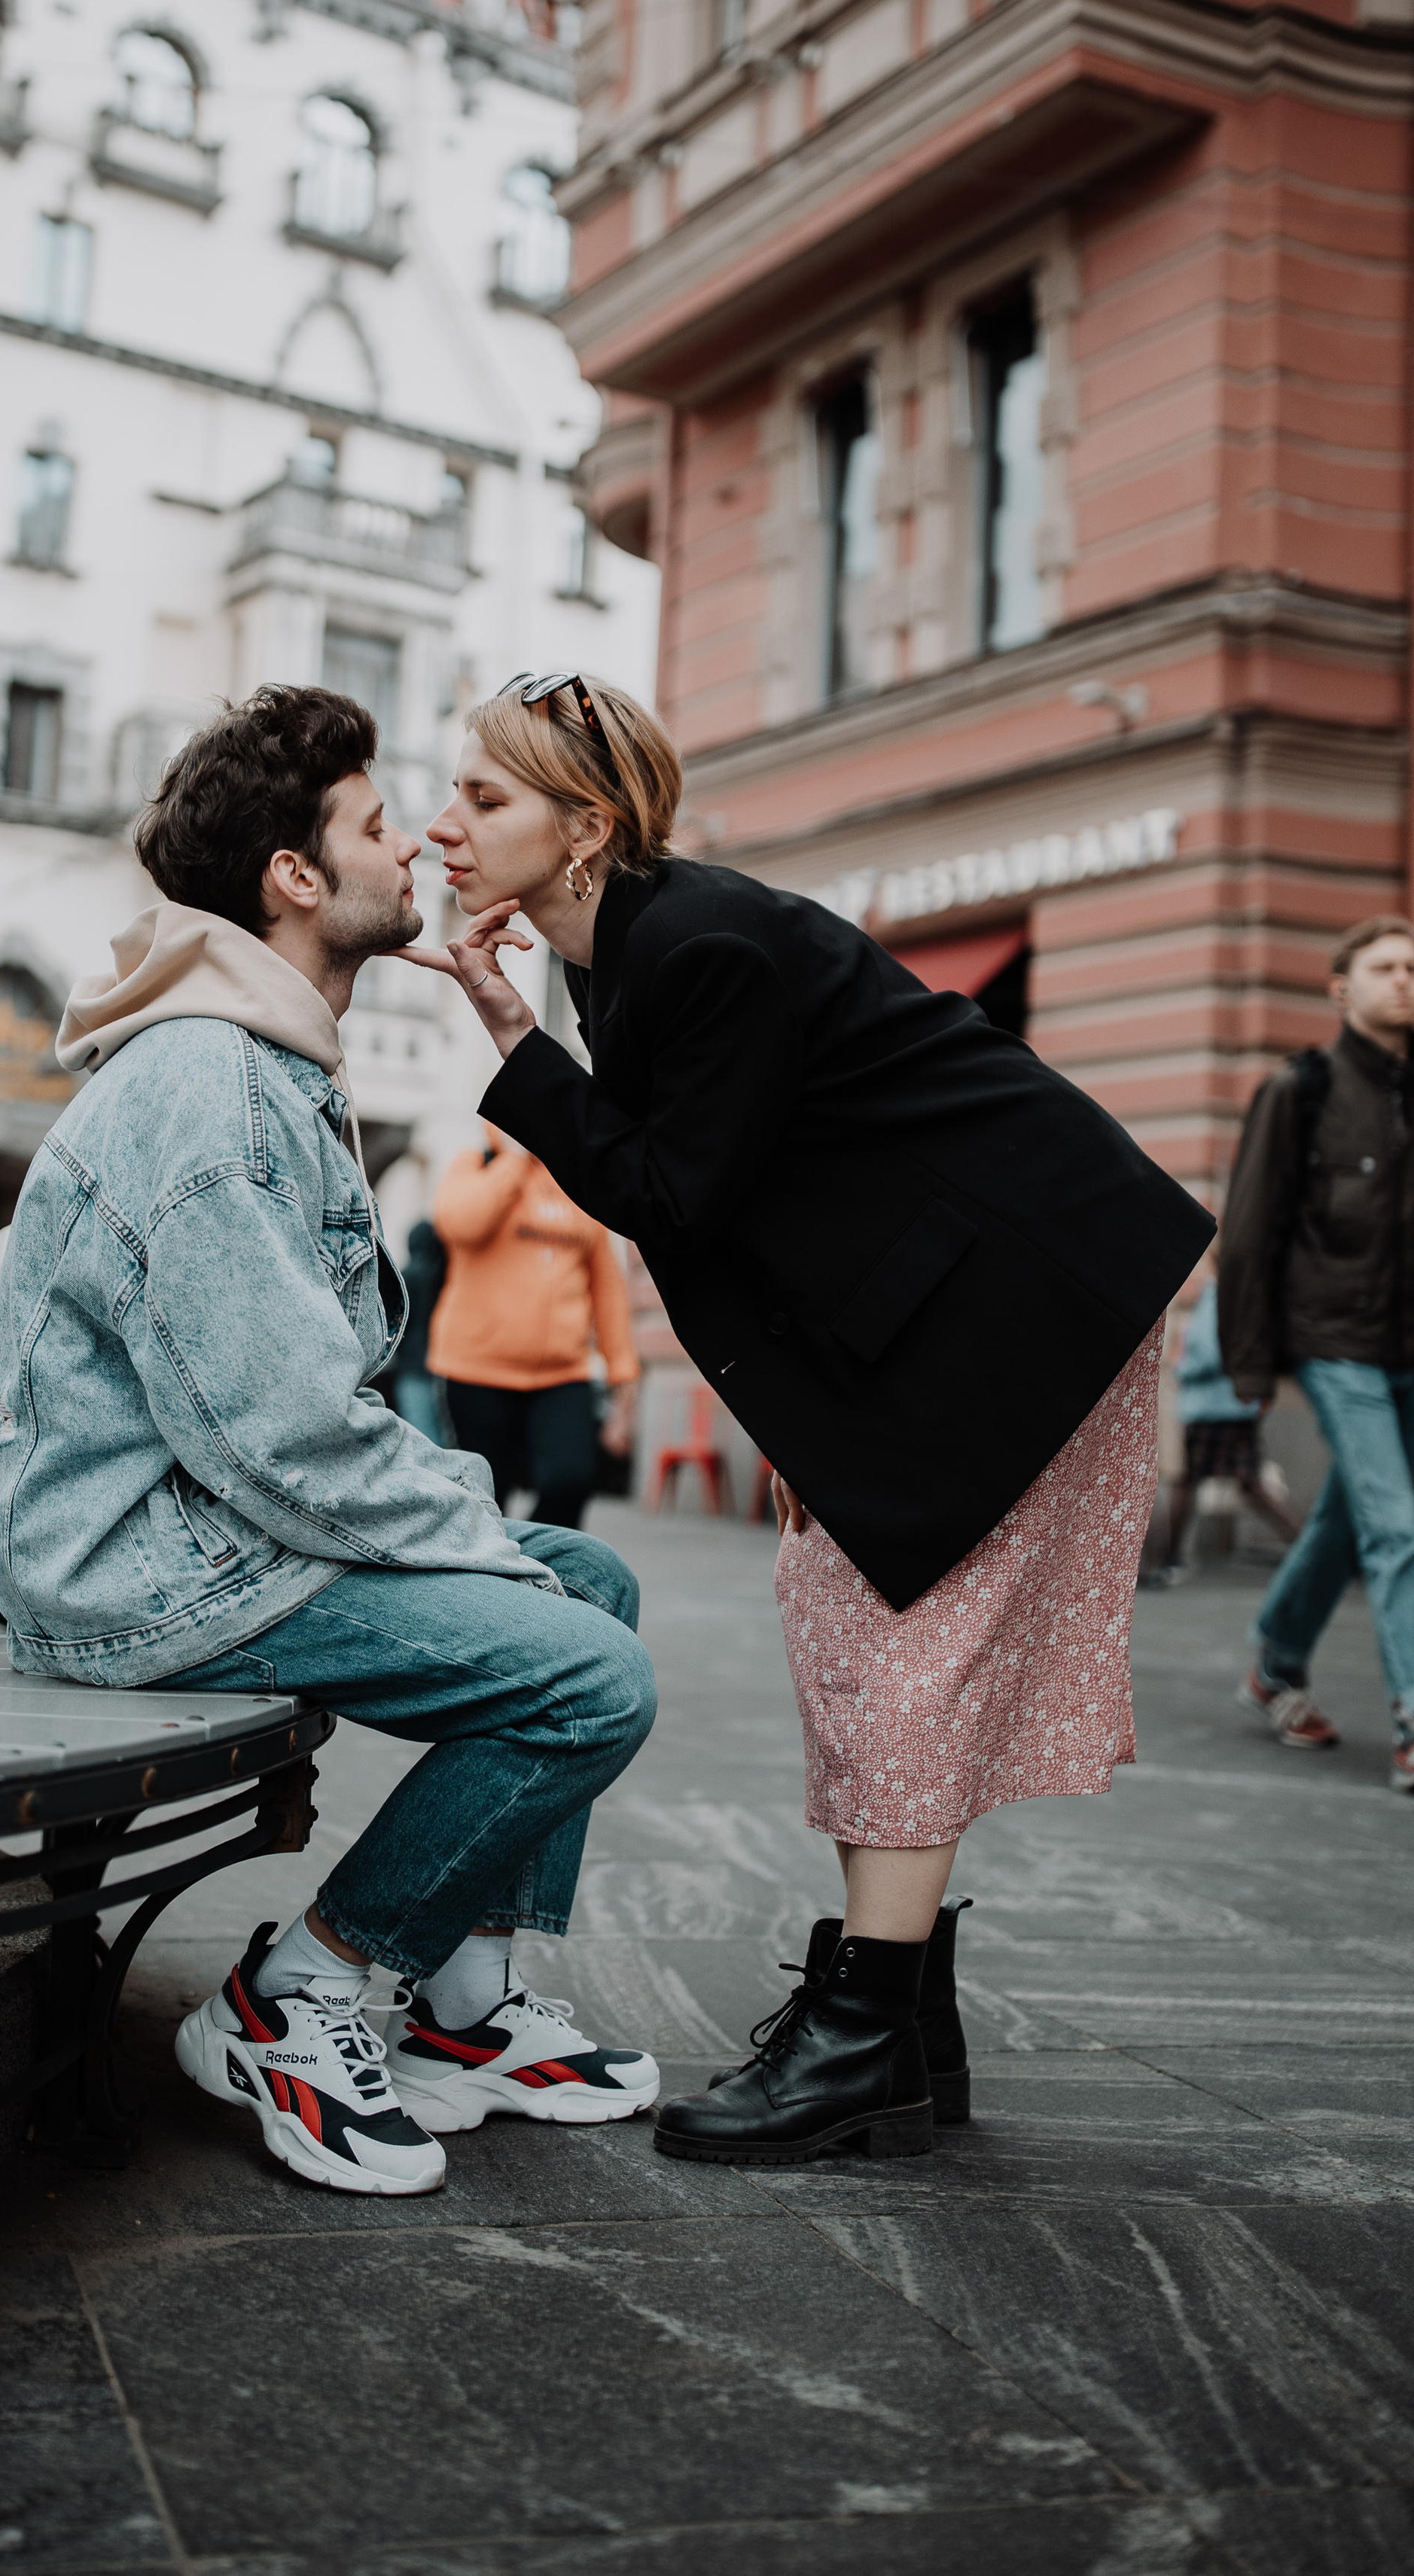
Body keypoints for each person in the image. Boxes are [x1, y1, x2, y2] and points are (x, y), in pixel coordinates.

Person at [401, 668, 1214, 2168]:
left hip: (1023, 1305)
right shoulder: (629, 954)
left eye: (483, 799)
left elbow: (670, 1196)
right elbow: (756, 1206)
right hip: (931, 1316)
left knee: (897, 1650)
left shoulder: (696, 943)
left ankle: (864, 2042)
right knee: (857, 1629)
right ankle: (900, 2031)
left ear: (583, 828)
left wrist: (512, 1041)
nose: (441, 826)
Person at [0, 684, 660, 2201]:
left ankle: (465, 2007)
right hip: (140, 1574)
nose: (413, 844)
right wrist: (479, 1538)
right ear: (294, 878)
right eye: (371, 826)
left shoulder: (271, 1055)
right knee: (587, 1672)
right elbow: (286, 1436)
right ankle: (296, 1998)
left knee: (590, 1585)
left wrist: (493, 1543)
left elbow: (298, 1417)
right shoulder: (210, 1084)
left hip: (214, 1535)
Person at [1217, 915, 1414, 1783]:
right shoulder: (1299, 1088)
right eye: (1384, 967)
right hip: (1336, 1343)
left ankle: (1275, 1668)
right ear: (1342, 989)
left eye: (1413, 968)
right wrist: (1249, 1365)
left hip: (1409, 1345)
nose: (1403, 980)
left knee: (1350, 1518)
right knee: (1400, 1527)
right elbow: (1249, 1235)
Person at [429, 1130, 638, 1529]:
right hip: (477, 1369)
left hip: (563, 1373)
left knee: (571, 1481)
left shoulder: (578, 1182)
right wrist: (514, 1158)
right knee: (488, 1498)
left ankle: (533, 1565)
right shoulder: (478, 1163)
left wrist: (623, 1384)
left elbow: (608, 1293)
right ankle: (493, 1579)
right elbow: (460, 1224)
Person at [1142, 1253, 1300, 1586]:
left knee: (1200, 1481)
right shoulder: (1228, 1298)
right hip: (1228, 1407)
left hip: (1214, 1409)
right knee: (1241, 1483)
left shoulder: (1214, 1298)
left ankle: (1169, 1560)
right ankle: (1306, 1551)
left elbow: (1211, 1353)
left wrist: (1180, 1367)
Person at [388, 1215, 451, 1444]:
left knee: (421, 1439)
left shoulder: (405, 1277)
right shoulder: (446, 1277)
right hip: (447, 1369)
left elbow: (395, 1324)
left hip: (412, 1370)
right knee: (448, 1441)